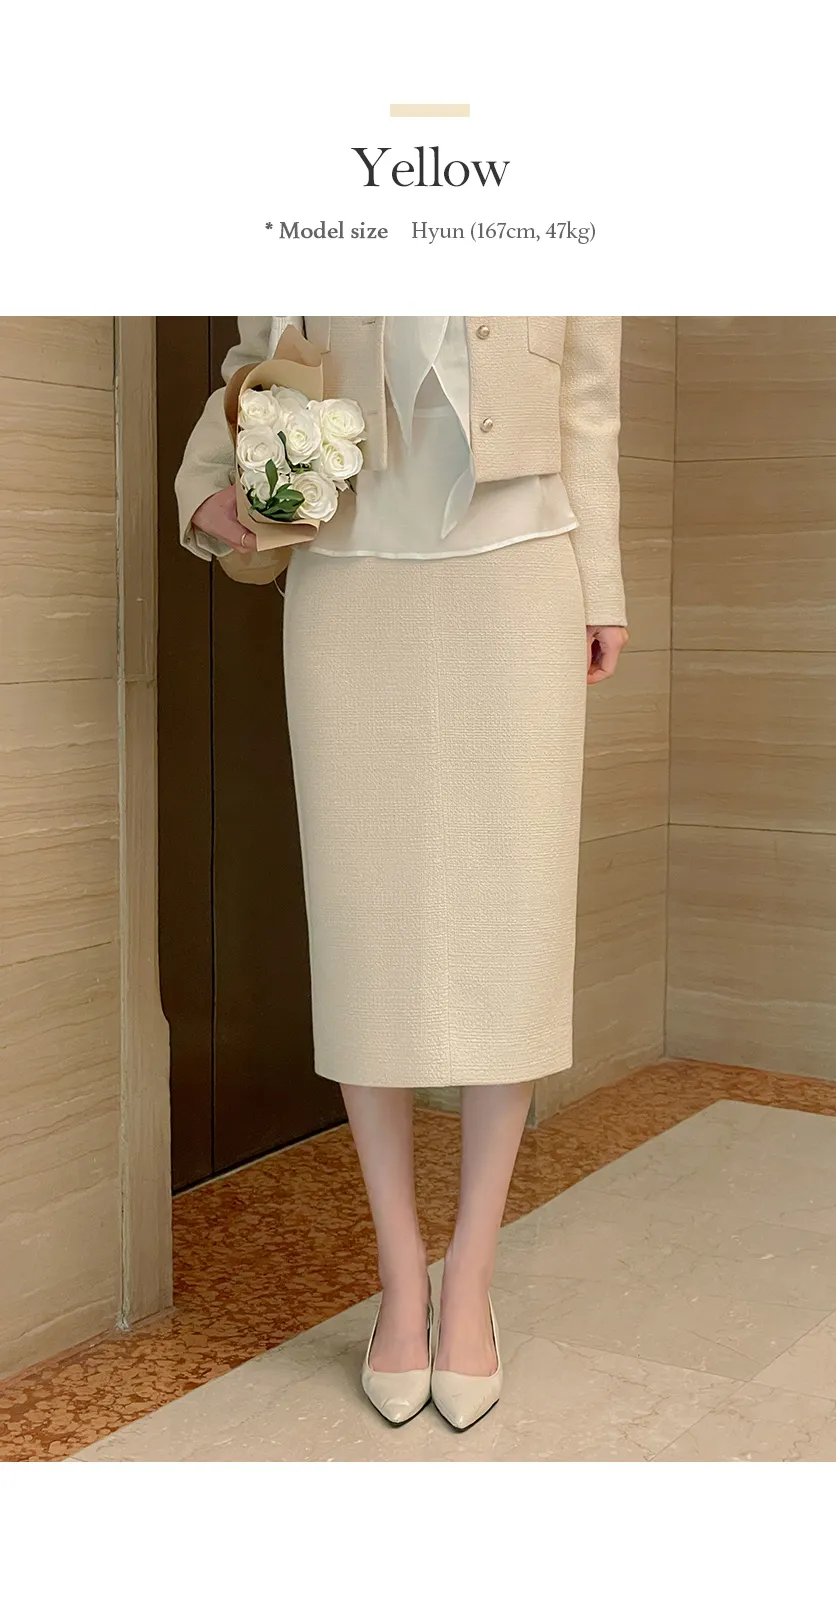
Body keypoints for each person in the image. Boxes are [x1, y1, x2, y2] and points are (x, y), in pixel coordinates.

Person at [175, 316, 628, 1431]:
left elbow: (587, 397)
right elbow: (255, 364)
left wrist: (602, 585)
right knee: (363, 928)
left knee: (511, 923)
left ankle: (468, 1276)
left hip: (522, 564)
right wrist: (206, 496)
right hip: (349, 573)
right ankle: (397, 1272)